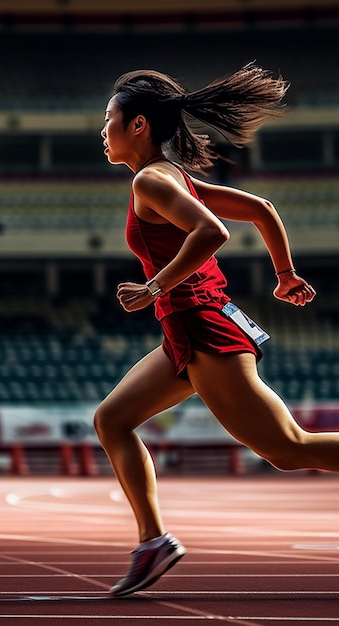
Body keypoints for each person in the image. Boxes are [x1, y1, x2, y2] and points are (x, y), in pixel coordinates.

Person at [95, 62, 339, 598]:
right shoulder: (170, 178)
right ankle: (152, 542)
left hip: (204, 329)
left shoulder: (151, 179)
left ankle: (152, 540)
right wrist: (284, 274)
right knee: (112, 419)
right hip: (184, 333)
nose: (103, 129)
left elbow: (213, 231)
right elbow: (262, 208)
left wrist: (153, 287)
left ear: (138, 125)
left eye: (110, 118)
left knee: (288, 448)